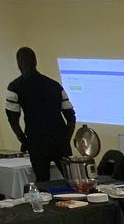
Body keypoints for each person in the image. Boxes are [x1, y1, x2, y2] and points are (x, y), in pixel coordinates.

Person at [4, 47, 76, 183]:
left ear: (19, 62)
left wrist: (24, 140)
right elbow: (71, 116)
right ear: (35, 62)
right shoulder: (54, 85)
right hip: (59, 137)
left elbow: (12, 118)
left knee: (43, 182)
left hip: (36, 140)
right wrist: (66, 139)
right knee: (71, 180)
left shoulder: (15, 86)